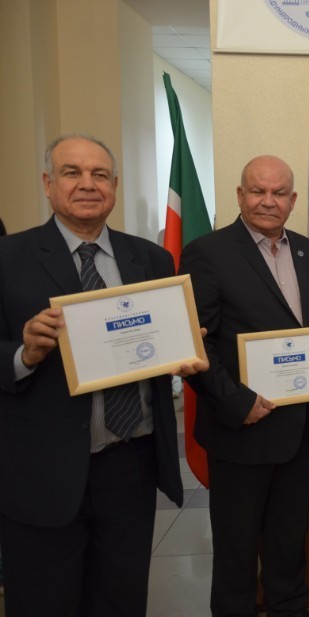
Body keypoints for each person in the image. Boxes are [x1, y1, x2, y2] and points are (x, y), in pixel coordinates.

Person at [0, 133, 206, 615]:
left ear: (114, 185)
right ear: (48, 185)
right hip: (42, 474)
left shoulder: (151, 260)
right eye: (72, 173)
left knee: (121, 600)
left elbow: (161, 349)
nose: (87, 184)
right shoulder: (8, 259)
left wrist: (185, 348)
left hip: (128, 467)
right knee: (45, 603)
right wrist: (24, 354)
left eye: (99, 175)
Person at [180, 155, 309, 617]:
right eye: (258, 191)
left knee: (289, 549)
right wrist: (238, 402)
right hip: (242, 430)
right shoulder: (208, 252)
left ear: (293, 199)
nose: (269, 201)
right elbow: (196, 345)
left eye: (279, 192)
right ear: (240, 195)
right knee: (236, 556)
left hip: (299, 432)